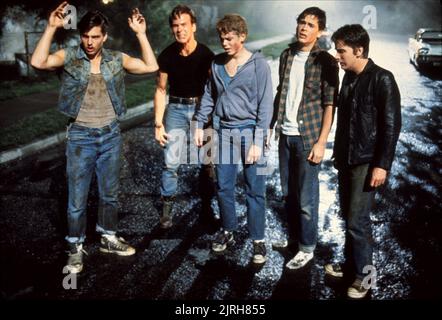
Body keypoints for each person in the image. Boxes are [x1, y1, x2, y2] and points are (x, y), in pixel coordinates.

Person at [31, 2, 159, 273]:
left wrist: (140, 34)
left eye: (95, 37)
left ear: (104, 37)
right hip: (80, 136)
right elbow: (38, 61)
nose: (89, 42)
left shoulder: (116, 58)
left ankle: (108, 237)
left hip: (110, 134)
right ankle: (75, 246)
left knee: (109, 194)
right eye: (85, 36)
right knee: (77, 200)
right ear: (81, 36)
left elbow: (151, 66)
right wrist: (52, 27)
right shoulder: (69, 56)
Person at [325, 24, 401, 299]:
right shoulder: (349, 76)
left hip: (367, 162)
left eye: (341, 50)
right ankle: (350, 266)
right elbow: (346, 121)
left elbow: (391, 126)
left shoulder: (383, 79)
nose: (337, 55)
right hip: (346, 159)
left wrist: (382, 164)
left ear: (359, 50)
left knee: (358, 221)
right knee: (348, 217)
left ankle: (364, 277)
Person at [193, 14, 273, 264]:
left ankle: (258, 240)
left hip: (249, 133)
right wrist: (197, 124)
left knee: (255, 189)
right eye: (222, 38)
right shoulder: (217, 64)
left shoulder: (259, 65)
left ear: (242, 36)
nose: (224, 43)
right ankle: (228, 229)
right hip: (223, 133)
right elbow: (208, 97)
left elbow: (265, 105)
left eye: (229, 38)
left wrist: (259, 141)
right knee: (224, 186)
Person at [271, 7, 339, 269]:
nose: (303, 27)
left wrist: (321, 142)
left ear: (320, 31)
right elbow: (282, 92)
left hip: (307, 137)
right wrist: (271, 126)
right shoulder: (287, 55)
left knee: (307, 198)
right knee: (288, 194)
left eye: (310, 25)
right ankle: (293, 239)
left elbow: (329, 104)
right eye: (301, 22)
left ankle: (307, 248)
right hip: (285, 136)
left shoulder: (326, 61)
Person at [154, 5, 215, 229]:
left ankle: (207, 208)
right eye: (175, 26)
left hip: (201, 109)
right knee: (171, 162)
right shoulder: (167, 55)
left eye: (184, 25)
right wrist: (158, 123)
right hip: (176, 109)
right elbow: (161, 90)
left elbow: (214, 89)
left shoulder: (207, 55)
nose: (180, 30)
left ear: (193, 27)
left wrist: (211, 118)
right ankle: (167, 210)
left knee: (207, 161)